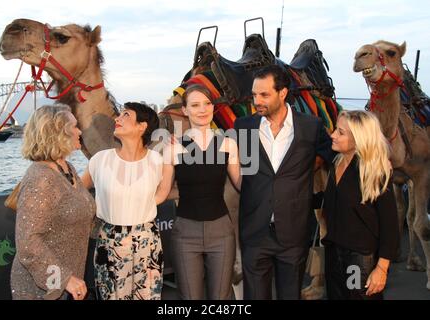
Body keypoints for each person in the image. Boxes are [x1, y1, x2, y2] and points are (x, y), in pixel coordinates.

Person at [234, 64, 333, 300]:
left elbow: (335, 155)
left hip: (294, 232)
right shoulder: (244, 127)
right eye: (255, 94)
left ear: (283, 93)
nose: (257, 100)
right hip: (255, 232)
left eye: (264, 95)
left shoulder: (310, 127)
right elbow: (236, 167)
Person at [81, 102, 172, 300]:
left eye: (125, 115)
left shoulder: (158, 161)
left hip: (147, 240)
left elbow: (163, 193)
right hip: (110, 240)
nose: (117, 119)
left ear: (142, 126)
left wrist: (141, 207)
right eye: (119, 115)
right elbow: (76, 194)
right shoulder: (100, 160)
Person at [162, 84, 241, 299]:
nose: (202, 109)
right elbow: (162, 193)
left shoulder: (228, 144)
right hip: (185, 234)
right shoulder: (173, 147)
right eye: (195, 105)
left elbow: (242, 185)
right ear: (185, 110)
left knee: (220, 299)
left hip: (222, 232)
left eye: (207, 104)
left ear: (213, 108)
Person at [11, 104, 96, 300]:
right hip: (42, 289)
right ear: (57, 132)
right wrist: (65, 279)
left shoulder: (67, 168)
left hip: (68, 283)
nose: (79, 131)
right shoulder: (40, 178)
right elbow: (27, 243)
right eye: (74, 126)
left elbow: (83, 215)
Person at [322, 110, 399, 300]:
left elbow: (390, 226)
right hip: (333, 255)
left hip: (357, 261)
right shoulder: (336, 163)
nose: (333, 135)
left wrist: (381, 268)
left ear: (359, 138)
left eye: (340, 132)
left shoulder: (376, 173)